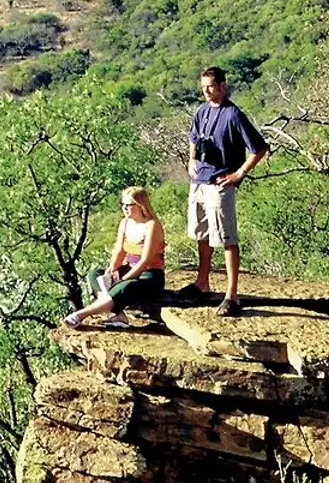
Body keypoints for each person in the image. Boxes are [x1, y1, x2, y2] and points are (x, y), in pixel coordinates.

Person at [180, 66, 269, 317]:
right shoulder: (201, 111)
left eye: (210, 86)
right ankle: (202, 282)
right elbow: (194, 137)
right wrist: (191, 160)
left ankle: (232, 294)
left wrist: (239, 174)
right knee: (202, 232)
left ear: (222, 85)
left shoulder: (234, 115)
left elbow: (259, 148)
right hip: (200, 179)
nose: (207, 92)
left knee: (227, 238)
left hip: (221, 182)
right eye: (203, 88)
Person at [63, 187, 166, 328]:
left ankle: (80, 315)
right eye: (123, 205)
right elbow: (119, 251)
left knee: (125, 286)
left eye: (129, 205)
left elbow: (145, 261)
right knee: (94, 275)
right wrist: (111, 270)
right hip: (129, 268)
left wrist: (124, 279)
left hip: (149, 276)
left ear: (140, 205)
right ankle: (119, 314)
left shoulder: (151, 225)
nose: (125, 208)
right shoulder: (124, 223)